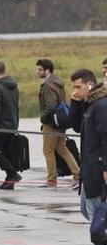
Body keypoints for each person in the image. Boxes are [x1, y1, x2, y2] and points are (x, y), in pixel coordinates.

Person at [67, 69, 107, 245]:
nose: (75, 90)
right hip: (88, 168)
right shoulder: (89, 106)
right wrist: (74, 103)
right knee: (88, 211)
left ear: (90, 85)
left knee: (97, 216)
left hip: (97, 168)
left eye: (78, 87)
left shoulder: (101, 106)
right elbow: (74, 126)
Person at [37, 58, 80, 188]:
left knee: (48, 150)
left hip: (51, 122)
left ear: (47, 70)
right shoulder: (58, 82)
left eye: (40, 70)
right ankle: (78, 173)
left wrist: (43, 119)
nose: (37, 72)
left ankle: (51, 179)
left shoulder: (47, 85)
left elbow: (50, 106)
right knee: (62, 148)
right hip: (61, 119)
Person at [0, 61, 22, 190]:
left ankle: (12, 174)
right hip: (12, 124)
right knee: (8, 153)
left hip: (0, 126)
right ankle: (9, 180)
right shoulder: (14, 86)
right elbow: (16, 107)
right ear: (5, 70)